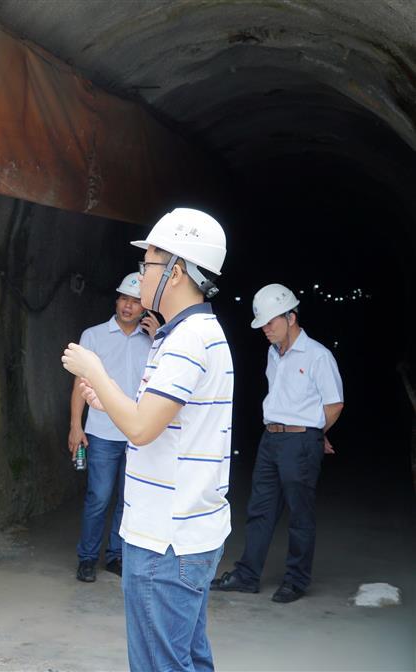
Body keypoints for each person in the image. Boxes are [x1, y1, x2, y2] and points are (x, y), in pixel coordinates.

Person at [62, 207, 233, 672]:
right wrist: (106, 401)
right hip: (187, 530)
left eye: (149, 263)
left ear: (175, 272)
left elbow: (140, 428)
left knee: (161, 664)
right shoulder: (197, 333)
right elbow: (159, 419)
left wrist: (95, 369)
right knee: (188, 658)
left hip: (165, 540)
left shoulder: (186, 341)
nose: (142, 276)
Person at [211, 283, 343, 603]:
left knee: (299, 514)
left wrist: (314, 433)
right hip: (271, 439)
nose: (266, 329)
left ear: (291, 317)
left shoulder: (318, 356)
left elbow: (334, 404)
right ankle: (247, 575)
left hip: (299, 442)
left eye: (271, 322)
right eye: (262, 324)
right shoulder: (273, 353)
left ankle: (295, 581)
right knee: (260, 509)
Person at [70, 272, 158, 582]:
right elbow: (80, 383)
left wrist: (160, 338)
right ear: (116, 301)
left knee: (127, 499)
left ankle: (116, 555)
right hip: (102, 432)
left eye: (135, 301)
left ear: (145, 307)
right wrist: (75, 425)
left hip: (138, 432)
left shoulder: (155, 341)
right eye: (123, 299)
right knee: (99, 497)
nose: (128, 306)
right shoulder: (93, 336)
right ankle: (87, 557)